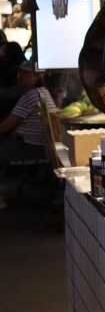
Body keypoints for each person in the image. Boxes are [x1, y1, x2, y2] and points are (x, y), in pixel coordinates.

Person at [0, 62, 57, 208]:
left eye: (26, 73)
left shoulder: (31, 96)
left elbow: (6, 126)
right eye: (19, 72)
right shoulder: (43, 92)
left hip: (30, 146)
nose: (20, 76)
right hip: (38, 144)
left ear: (38, 76)